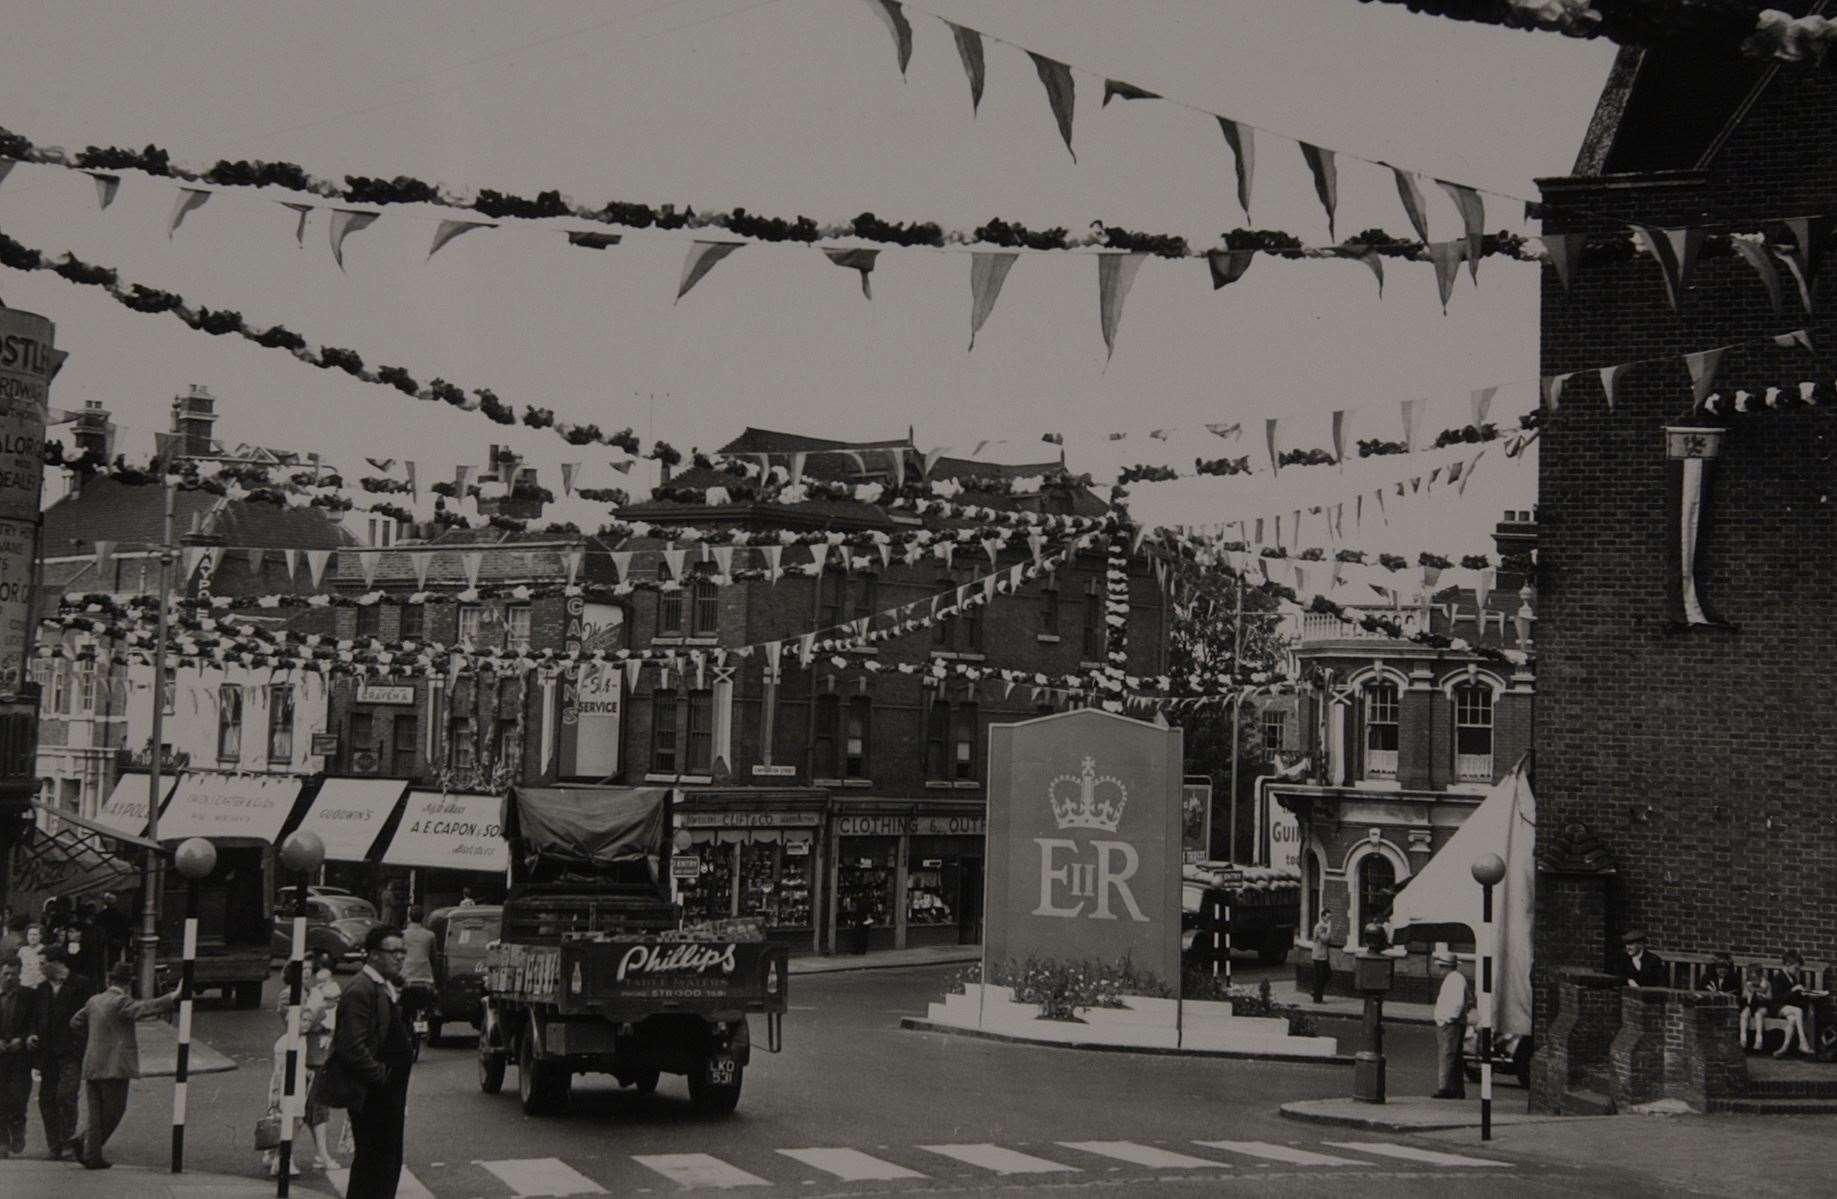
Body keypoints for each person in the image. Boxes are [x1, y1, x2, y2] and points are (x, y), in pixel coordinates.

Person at [315, 927, 414, 1199]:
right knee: (375, 1164)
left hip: (386, 1093)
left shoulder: (381, 985)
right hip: (374, 1094)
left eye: (403, 951)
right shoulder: (360, 989)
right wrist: (382, 1077)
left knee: (386, 1162)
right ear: (372, 956)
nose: (400, 957)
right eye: (394, 952)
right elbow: (352, 1046)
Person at [68, 960, 180, 1169]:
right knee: (113, 1112)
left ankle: (89, 1149)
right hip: (115, 1066)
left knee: (95, 1113)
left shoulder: (94, 1001)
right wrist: (172, 996)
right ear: (128, 984)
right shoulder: (121, 1001)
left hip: (92, 1063)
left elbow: (75, 1022)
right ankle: (88, 1148)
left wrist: (95, 1039)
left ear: (109, 980)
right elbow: (145, 1008)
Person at [263, 954, 340, 1176]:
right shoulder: (289, 995)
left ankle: (282, 1156)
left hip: (311, 1054)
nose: (307, 972)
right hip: (296, 1056)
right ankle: (282, 1158)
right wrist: (322, 1008)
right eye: (302, 968)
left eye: (309, 967)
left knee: (308, 1110)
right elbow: (299, 1025)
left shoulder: (311, 992)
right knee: (294, 1110)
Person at [29, 944, 90, 1160]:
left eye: (43, 963)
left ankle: (68, 1142)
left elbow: (91, 1018)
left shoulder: (82, 985)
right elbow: (35, 1019)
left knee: (65, 1096)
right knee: (46, 1099)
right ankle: (54, 1145)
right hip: (48, 1055)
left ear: (56, 963)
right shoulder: (42, 990)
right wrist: (32, 1035)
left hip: (71, 1052)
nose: (40, 967)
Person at [0, 961, 35, 1157]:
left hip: (20, 1057)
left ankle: (18, 1129)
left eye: (13, 974)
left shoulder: (28, 996)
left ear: (19, 974)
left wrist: (22, 1039)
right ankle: (2, 1141)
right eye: (5, 974)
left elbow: (35, 1021)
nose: (9, 978)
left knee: (18, 1097)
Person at [1431, 950, 1472, 1099]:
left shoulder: (1455, 980)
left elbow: (1457, 1004)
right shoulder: (1455, 979)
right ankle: (1456, 1089)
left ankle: (1445, 1088)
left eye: (1441, 966)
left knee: (1447, 1055)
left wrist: (1447, 1019)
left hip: (1450, 1024)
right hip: (1451, 1023)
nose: (1440, 970)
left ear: (1446, 966)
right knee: (1454, 1056)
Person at [1762, 950, 1815, 1058]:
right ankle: (1802, 1042)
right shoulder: (1778, 978)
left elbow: (1792, 999)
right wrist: (1793, 990)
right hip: (1776, 1008)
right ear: (1787, 965)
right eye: (1796, 968)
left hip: (1787, 1008)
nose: (1797, 971)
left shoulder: (1793, 978)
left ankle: (1784, 1048)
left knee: (1792, 1019)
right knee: (1798, 1011)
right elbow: (1777, 998)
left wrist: (1803, 993)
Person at [1309, 914, 1335, 1004]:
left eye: (1330, 918)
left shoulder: (1324, 927)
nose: (1329, 919)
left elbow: (1330, 939)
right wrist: (1329, 929)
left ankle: (1315, 991)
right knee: (1319, 977)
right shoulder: (1319, 927)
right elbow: (1325, 939)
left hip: (1324, 956)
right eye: (1328, 917)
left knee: (1328, 974)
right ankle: (1317, 999)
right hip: (1318, 956)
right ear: (1323, 917)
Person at [16, 924, 44, 989]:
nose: (32, 937)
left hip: (39, 986)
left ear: (40, 936)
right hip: (24, 985)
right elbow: (18, 968)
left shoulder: (44, 949)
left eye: (35, 935)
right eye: (30, 934)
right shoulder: (22, 950)